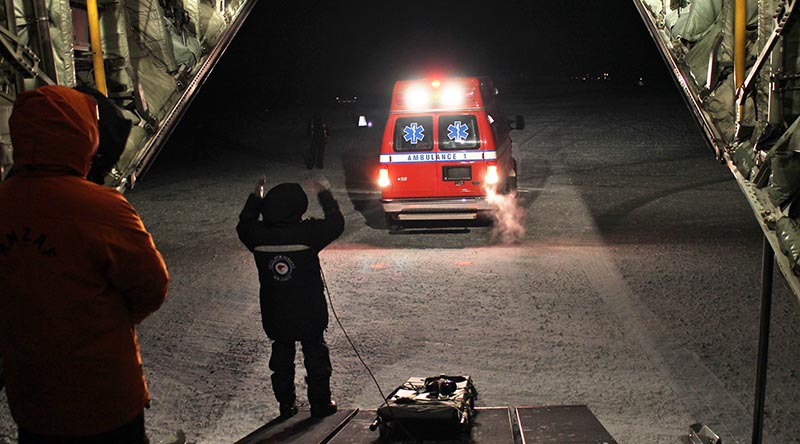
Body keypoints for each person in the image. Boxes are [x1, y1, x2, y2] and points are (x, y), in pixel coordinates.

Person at [0, 85, 169, 443]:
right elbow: (152, 287)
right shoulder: (104, 208)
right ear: (83, 134)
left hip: (33, 403)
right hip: (106, 398)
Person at [236, 176, 344, 419]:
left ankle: (286, 406)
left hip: (275, 312)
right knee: (315, 355)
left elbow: (243, 224)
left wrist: (256, 198)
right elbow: (336, 224)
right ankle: (320, 404)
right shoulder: (308, 232)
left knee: (281, 360)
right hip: (310, 311)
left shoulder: (257, 236)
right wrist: (325, 193)